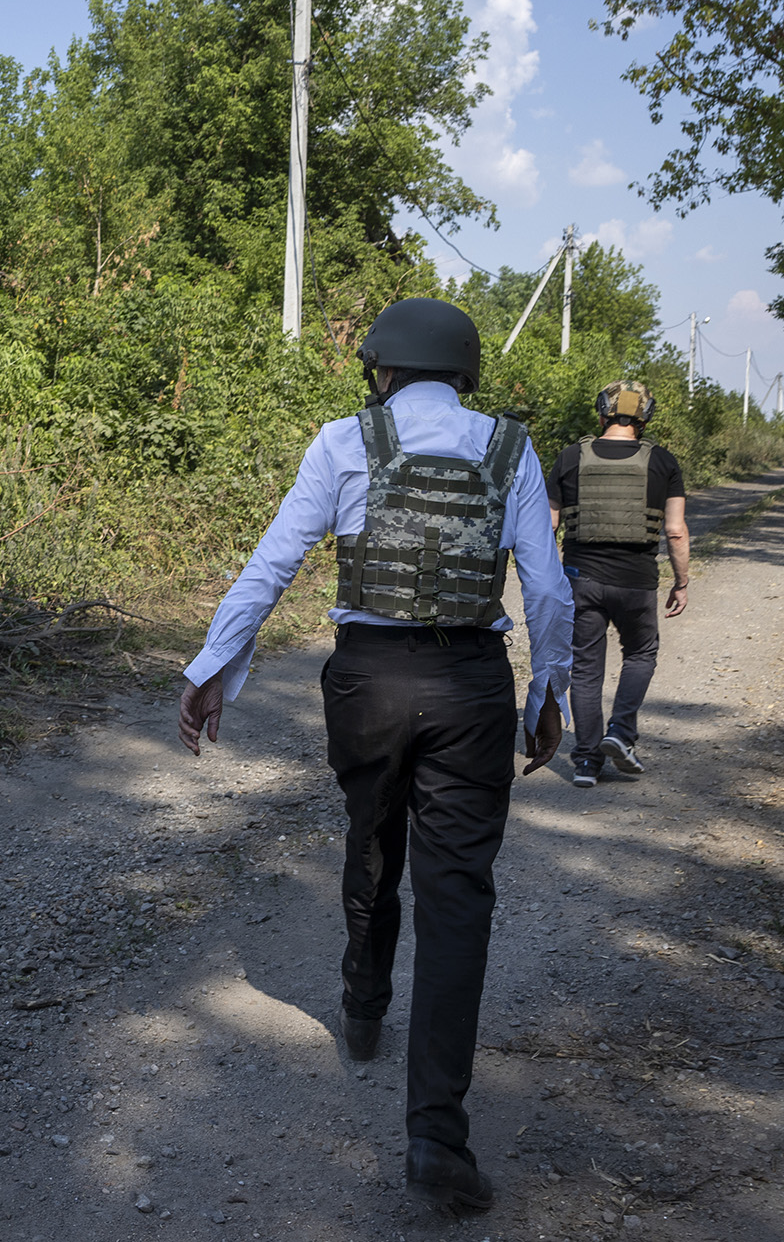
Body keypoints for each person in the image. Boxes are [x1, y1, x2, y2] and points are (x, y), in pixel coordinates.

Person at [174, 297, 572, 1216]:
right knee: (457, 893)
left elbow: (273, 562)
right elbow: (547, 590)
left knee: (371, 832)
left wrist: (209, 671)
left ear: (382, 369)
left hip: (367, 681)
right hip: (470, 685)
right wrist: (547, 695)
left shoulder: (342, 440)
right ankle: (437, 1134)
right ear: (466, 371)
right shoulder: (510, 448)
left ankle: (361, 999)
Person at [550, 382, 690, 789]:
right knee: (642, 653)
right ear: (644, 416)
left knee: (586, 667)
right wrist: (681, 582)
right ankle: (621, 733)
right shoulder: (662, 462)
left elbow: (549, 525)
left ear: (602, 414)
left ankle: (586, 762)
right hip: (637, 582)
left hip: (581, 580)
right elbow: (676, 531)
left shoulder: (571, 456)